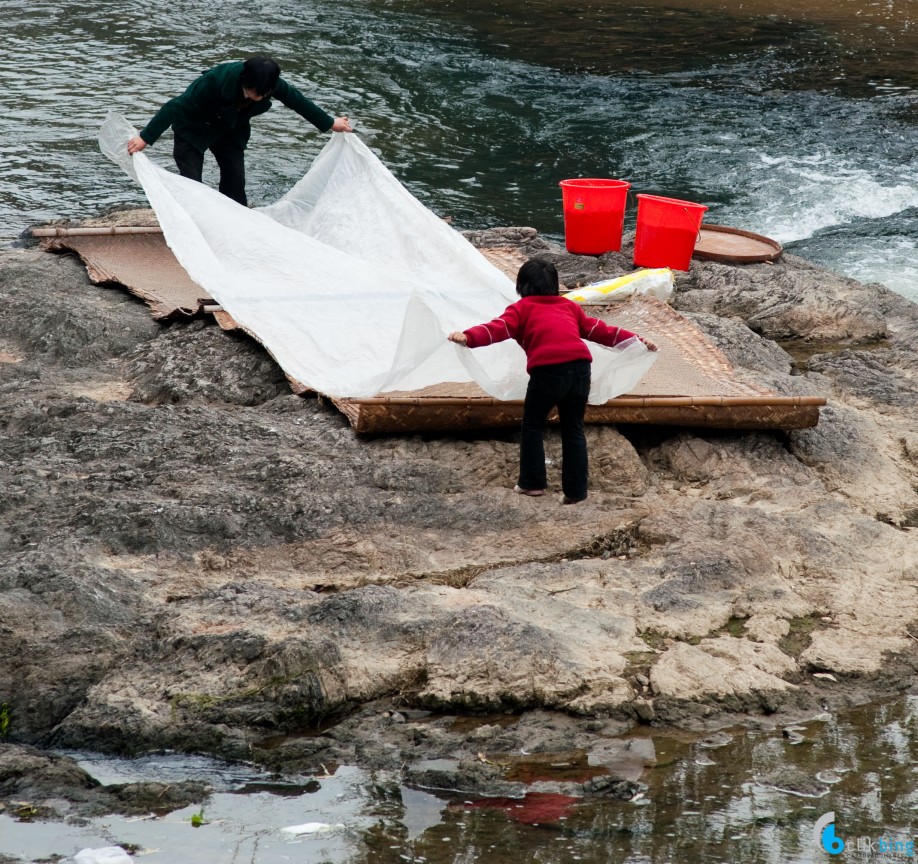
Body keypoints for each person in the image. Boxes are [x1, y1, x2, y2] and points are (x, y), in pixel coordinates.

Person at [448, 259, 658, 505]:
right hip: (580, 369)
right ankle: (576, 492)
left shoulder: (521, 309)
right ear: (555, 285)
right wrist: (637, 341)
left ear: (522, 286)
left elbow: (498, 328)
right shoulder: (568, 307)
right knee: (573, 429)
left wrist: (468, 336)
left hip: (548, 371)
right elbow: (601, 330)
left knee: (533, 426)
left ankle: (532, 483)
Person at [126, 55, 353, 206]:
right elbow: (175, 106)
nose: (261, 98)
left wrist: (330, 122)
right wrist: (145, 137)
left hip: (230, 129)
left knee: (235, 180)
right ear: (245, 82)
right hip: (193, 126)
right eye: (257, 93)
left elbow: (298, 101)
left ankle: (234, 221)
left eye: (265, 94)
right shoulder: (216, 81)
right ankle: (193, 226)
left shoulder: (269, 84)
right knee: (192, 183)